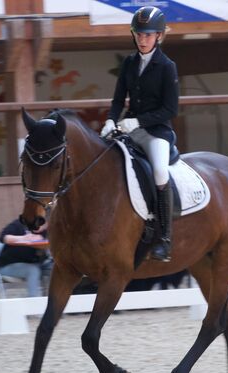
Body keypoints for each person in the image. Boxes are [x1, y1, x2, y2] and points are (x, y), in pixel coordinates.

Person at [100, 5, 179, 262]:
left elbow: (170, 109)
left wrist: (138, 122)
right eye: (139, 34)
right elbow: (117, 98)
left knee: (159, 171)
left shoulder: (167, 66)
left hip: (156, 132)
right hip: (127, 129)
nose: (143, 39)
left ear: (158, 36)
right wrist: (111, 120)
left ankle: (164, 238)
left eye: (148, 34)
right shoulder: (129, 63)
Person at [0, 218, 52, 297]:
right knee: (33, 270)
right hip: (9, 264)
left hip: (36, 262)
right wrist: (24, 238)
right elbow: (3, 237)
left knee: (56, 268)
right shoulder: (19, 224)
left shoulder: (46, 231)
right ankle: (34, 302)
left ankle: (54, 299)